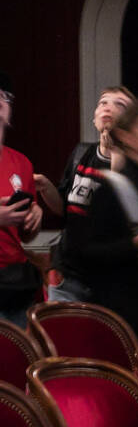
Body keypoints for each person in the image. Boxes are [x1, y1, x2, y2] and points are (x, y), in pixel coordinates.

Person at [45, 99, 138, 342]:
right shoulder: (112, 187)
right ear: (126, 136)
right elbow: (82, 252)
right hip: (122, 319)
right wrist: (135, 245)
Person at [39, 85, 133, 302]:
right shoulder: (81, 153)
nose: (108, 107)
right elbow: (64, 208)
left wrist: (116, 153)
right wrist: (45, 186)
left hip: (110, 279)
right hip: (67, 276)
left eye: (119, 104)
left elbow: (119, 212)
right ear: (94, 118)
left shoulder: (136, 163)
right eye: (103, 102)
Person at [0, 73, 43, 324]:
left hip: (13, 285)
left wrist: (34, 218)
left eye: (4, 96)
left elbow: (26, 236)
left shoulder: (22, 163)